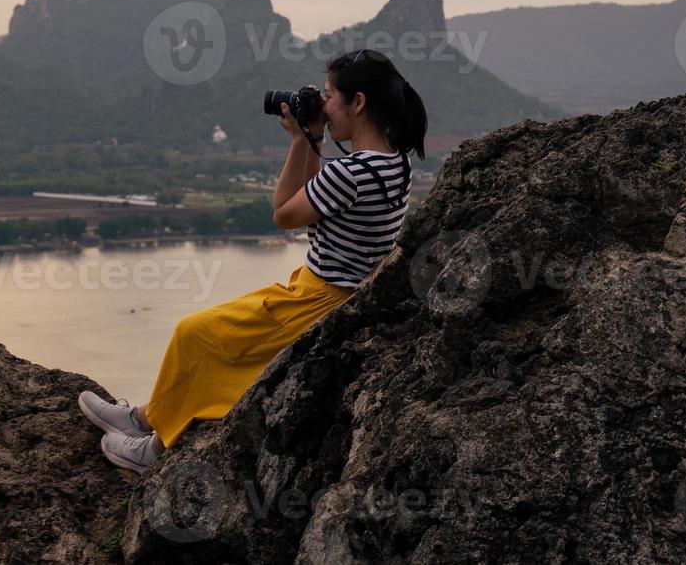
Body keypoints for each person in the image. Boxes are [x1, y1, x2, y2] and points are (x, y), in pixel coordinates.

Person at [80, 48, 428, 473]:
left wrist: (302, 140)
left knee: (197, 335)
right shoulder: (397, 163)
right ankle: (144, 417)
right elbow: (313, 204)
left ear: (358, 103)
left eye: (330, 95)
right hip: (333, 292)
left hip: (317, 300)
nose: (323, 104)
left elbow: (284, 213)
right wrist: (314, 141)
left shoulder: (350, 173)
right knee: (218, 343)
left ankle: (152, 449)